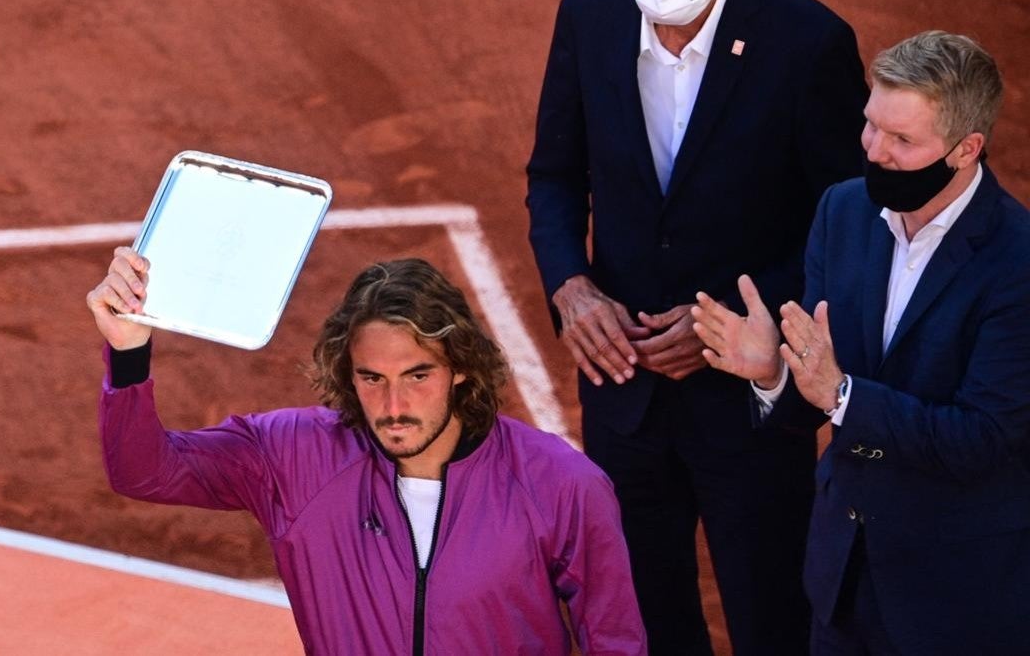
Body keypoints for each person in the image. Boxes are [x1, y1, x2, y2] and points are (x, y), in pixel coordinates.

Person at [524, 0, 869, 653]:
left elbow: (850, 223)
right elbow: (555, 177)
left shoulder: (808, 40)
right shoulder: (588, 13)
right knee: (643, 621)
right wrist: (571, 285)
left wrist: (744, 321)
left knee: (772, 616)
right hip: (622, 388)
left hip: (749, 407)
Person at [87, 252, 648, 655]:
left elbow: (615, 640)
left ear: (459, 368)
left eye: (418, 375)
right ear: (346, 374)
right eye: (372, 378)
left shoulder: (562, 484)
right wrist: (128, 350)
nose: (394, 405)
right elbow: (145, 471)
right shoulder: (290, 459)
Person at [691, 30, 1030, 655]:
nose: (874, 151)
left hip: (955, 602)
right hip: (843, 578)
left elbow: (982, 438)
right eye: (871, 125)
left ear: (966, 149)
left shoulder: (1018, 264)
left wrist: (843, 395)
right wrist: (773, 375)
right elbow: (815, 399)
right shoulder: (841, 212)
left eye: (902, 140)